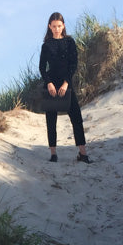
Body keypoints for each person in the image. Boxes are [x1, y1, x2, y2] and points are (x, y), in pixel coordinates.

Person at [39, 12, 91, 164]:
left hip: (66, 84)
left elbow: (73, 65)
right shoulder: (46, 45)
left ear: (64, 26)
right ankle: (53, 154)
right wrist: (48, 83)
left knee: (76, 117)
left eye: (59, 26)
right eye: (54, 26)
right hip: (50, 85)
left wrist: (66, 83)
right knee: (51, 119)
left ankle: (83, 153)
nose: (57, 29)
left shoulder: (69, 42)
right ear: (50, 26)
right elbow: (42, 68)